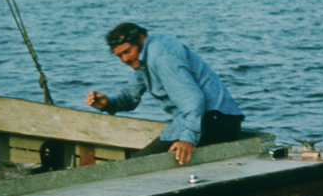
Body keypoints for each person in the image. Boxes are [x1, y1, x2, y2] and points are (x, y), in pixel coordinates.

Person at [85, 22, 244, 165]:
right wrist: (108, 104)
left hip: (216, 120)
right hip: (198, 119)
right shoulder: (142, 58)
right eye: (119, 55)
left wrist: (188, 139)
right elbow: (130, 97)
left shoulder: (160, 56)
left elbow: (194, 100)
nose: (124, 59)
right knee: (138, 164)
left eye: (127, 51)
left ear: (141, 38)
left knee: (135, 166)